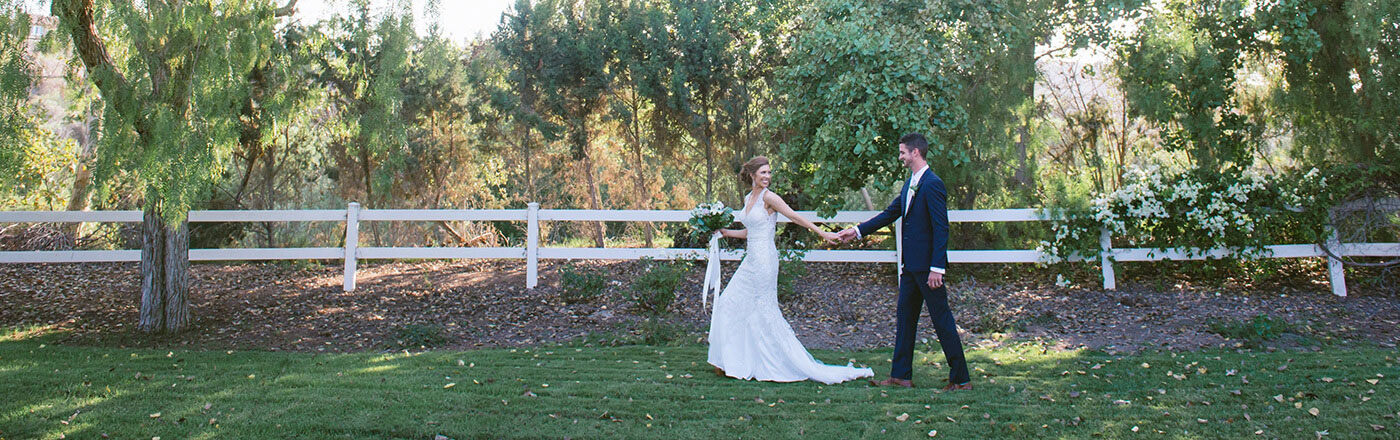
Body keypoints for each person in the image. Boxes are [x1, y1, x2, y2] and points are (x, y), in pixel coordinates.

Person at [708, 156, 874, 384]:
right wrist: (726, 232)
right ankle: (734, 361)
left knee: (763, 309)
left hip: (765, 260)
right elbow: (749, 232)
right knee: (730, 302)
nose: (767, 176)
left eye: (769, 172)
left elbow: (794, 217)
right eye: (763, 173)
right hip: (750, 260)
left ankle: (774, 362)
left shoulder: (770, 198)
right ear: (753, 175)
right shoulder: (748, 198)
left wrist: (823, 233)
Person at [836, 133, 971, 391]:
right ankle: (900, 376)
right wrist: (857, 231)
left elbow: (941, 228)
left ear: (915, 152)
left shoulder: (933, 184)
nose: (900, 157)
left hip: (928, 269)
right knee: (905, 319)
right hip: (910, 267)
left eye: (902, 153)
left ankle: (961, 379)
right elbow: (890, 213)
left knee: (942, 320)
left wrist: (937, 268)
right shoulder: (911, 183)